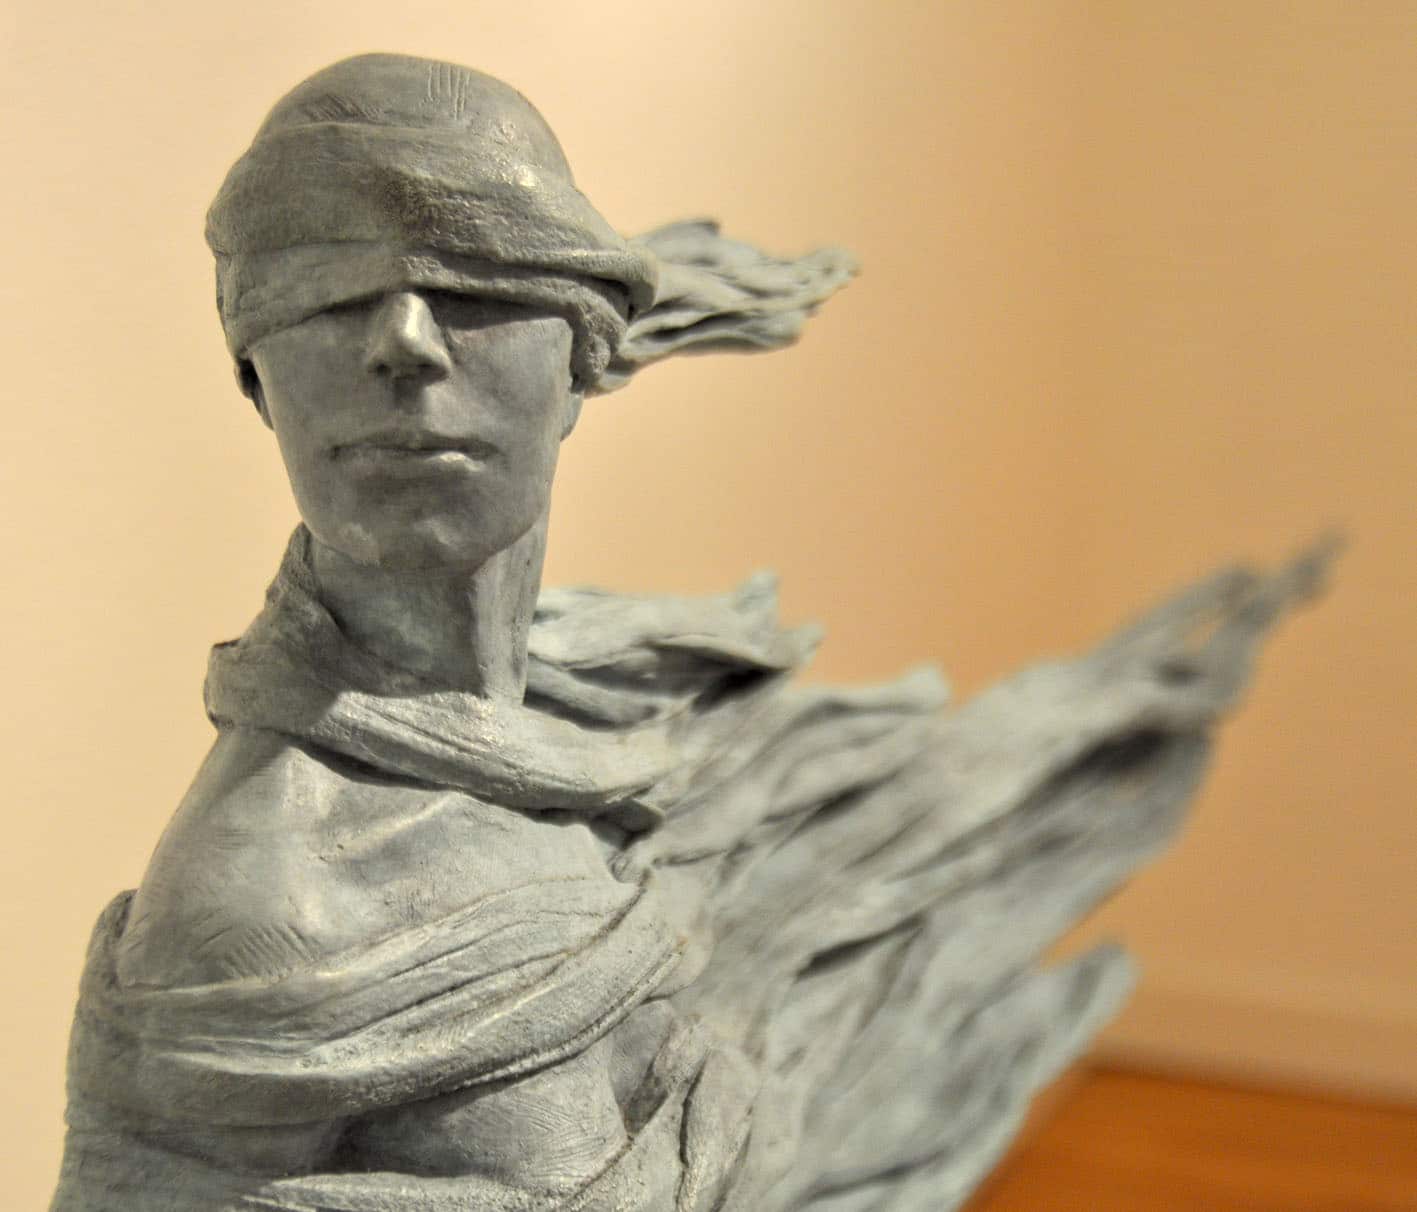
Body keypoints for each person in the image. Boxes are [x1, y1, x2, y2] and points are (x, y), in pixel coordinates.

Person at [52, 54, 1328, 1212]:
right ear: (258, 377)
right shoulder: (261, 910)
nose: (403, 341)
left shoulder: (605, 720)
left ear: (579, 360)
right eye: (326, 295)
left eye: (471, 284)